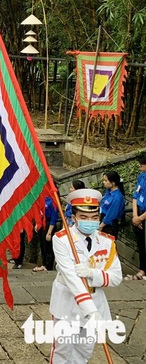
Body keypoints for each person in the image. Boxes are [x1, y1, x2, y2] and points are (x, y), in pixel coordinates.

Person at [49, 188, 122, 363]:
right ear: (74, 218)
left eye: (94, 218)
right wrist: (91, 311)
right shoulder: (62, 239)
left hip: (96, 298)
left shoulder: (106, 241)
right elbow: (71, 278)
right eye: (84, 217)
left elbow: (116, 277)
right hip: (68, 301)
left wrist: (92, 273)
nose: (90, 221)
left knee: (84, 351)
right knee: (63, 351)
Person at [99, 171, 125, 239]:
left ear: (113, 183)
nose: (104, 182)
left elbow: (111, 214)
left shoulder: (117, 197)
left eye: (106, 180)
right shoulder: (109, 191)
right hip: (102, 218)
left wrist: (101, 226)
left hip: (109, 224)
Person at [132, 154, 146, 280]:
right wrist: (136, 215)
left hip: (144, 215)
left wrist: (141, 218)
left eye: (142, 164)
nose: (139, 166)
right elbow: (135, 196)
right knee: (141, 243)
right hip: (139, 212)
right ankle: (142, 269)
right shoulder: (141, 177)